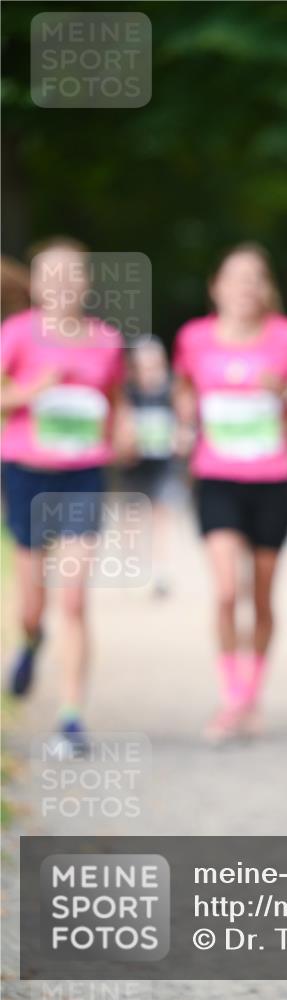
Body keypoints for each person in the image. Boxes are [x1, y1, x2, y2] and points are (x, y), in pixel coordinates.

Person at [172, 242, 287, 743]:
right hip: (217, 477)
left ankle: (253, 691)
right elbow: (184, 386)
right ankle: (233, 696)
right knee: (228, 590)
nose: (245, 288)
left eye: (254, 278)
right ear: (217, 286)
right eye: (235, 277)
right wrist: (185, 419)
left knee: (263, 596)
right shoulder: (194, 338)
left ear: (265, 288)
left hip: (273, 479)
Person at [1, 238, 127, 750]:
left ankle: (71, 717)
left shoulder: (105, 341)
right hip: (27, 473)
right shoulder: (15, 334)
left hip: (82, 474)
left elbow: (113, 401)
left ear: (86, 283)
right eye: (50, 275)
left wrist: (122, 433)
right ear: (35, 284)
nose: (62, 284)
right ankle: (30, 641)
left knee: (72, 600)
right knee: (35, 606)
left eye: (72, 275)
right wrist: (30, 392)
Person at [122, 336, 183, 598]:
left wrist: (183, 436)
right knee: (133, 516)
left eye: (154, 365)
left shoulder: (173, 391)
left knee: (162, 515)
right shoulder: (126, 392)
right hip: (134, 464)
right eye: (143, 366)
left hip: (165, 464)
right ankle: (134, 565)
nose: (149, 371)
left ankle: (161, 571)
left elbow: (187, 421)